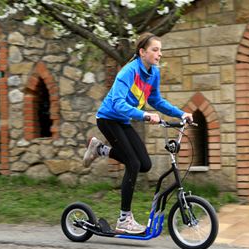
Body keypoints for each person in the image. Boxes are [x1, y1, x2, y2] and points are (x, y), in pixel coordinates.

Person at [83, 32, 193, 234]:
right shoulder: (128, 72)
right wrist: (144, 115)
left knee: (144, 164)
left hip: (123, 120)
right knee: (132, 163)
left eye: (160, 50)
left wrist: (181, 114)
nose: (159, 54)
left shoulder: (154, 73)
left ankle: (100, 149)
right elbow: (117, 103)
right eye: (155, 50)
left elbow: (157, 101)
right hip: (108, 118)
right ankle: (124, 219)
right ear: (142, 52)